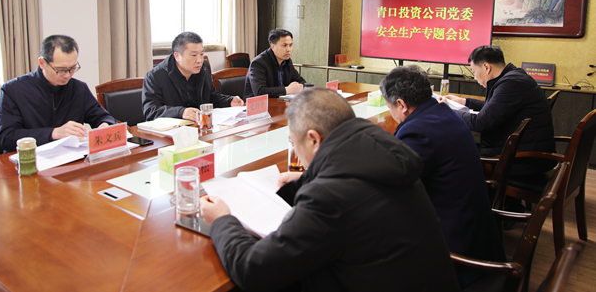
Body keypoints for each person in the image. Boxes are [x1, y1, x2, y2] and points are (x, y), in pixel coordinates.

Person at [200, 88, 460, 292]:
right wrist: (308, 177)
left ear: (313, 139)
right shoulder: (384, 150)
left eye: (293, 141)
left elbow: (253, 271)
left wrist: (222, 220)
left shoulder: (328, 198)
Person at [380, 65, 506, 289]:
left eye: (389, 106)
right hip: (477, 234)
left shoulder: (418, 131)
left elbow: (390, 184)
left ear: (401, 105)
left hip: (455, 251)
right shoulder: (443, 114)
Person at [444, 45, 556, 176]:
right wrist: (465, 102)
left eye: (474, 72)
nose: (475, 77)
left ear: (486, 67)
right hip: (523, 151)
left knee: (450, 155)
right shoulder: (514, 76)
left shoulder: (511, 84)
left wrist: (446, 109)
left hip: (521, 161)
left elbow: (480, 123)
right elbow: (496, 107)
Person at [0, 35, 116, 153]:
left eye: (72, 68)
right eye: (60, 70)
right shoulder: (13, 91)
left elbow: (102, 116)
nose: (67, 75)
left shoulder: (79, 88)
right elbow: (7, 138)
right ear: (42, 63)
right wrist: (54, 133)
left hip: (71, 158)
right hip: (30, 161)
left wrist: (104, 126)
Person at [142, 31, 244, 121]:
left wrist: (229, 101)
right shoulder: (155, 76)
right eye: (194, 55)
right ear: (177, 56)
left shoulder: (203, 70)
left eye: (201, 54)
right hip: (170, 133)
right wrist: (181, 112)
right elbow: (150, 111)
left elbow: (212, 97)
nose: (199, 60)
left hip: (199, 128)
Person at [243, 28, 306, 99]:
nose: (289, 49)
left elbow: (302, 81)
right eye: (284, 45)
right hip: (257, 104)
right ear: (273, 46)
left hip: (279, 102)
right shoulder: (258, 63)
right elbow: (260, 92)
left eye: (290, 45)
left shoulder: (287, 61)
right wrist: (287, 90)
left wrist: (298, 87)